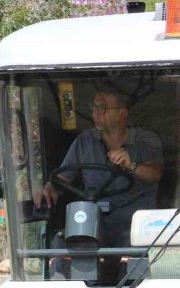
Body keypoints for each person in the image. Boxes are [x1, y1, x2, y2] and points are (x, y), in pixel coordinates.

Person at [35, 89, 163, 248]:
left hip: (136, 224)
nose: (95, 112)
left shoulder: (146, 140)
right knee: (60, 244)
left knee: (134, 248)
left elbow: (155, 174)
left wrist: (131, 166)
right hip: (95, 221)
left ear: (122, 113)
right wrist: (49, 189)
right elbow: (62, 179)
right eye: (93, 107)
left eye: (101, 108)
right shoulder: (85, 140)